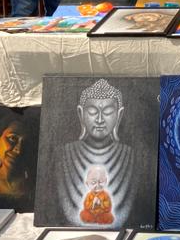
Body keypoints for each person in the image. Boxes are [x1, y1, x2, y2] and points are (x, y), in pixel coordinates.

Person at [48, 79, 141, 226]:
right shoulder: (63, 154)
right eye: (92, 111)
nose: (99, 119)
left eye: (108, 112)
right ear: (81, 113)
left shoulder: (131, 156)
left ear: (119, 115)